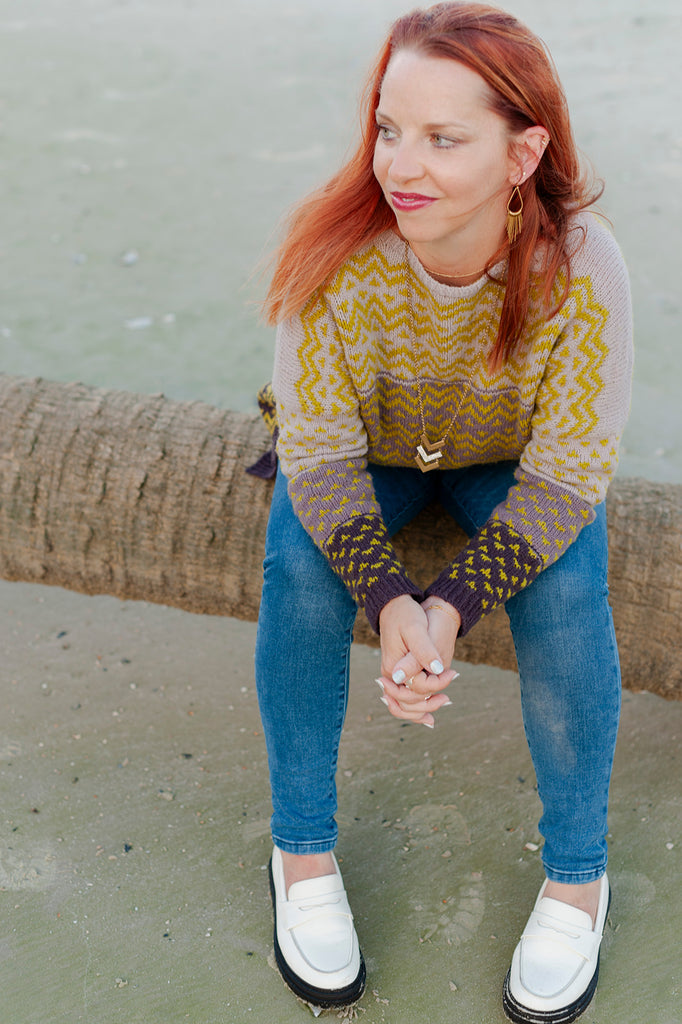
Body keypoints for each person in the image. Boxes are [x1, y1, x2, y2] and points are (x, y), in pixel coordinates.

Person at [251, 3, 633, 1020]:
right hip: (369, 455)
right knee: (297, 565)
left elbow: (568, 475)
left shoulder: (580, 266)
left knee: (568, 583)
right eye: (388, 128)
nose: (399, 165)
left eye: (443, 138)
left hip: (504, 464)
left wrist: (448, 606)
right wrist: (389, 601)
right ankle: (300, 853)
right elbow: (318, 457)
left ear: (523, 153)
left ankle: (578, 877)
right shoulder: (333, 248)